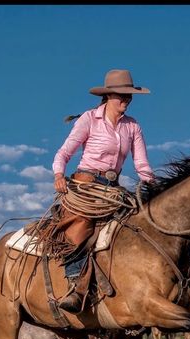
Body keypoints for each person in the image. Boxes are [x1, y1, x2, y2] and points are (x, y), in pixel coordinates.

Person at [52, 69, 155, 313]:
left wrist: (151, 185)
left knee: (136, 227)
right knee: (81, 226)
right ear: (108, 96)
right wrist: (58, 174)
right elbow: (64, 152)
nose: (126, 101)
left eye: (129, 96)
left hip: (113, 189)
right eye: (122, 96)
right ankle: (75, 287)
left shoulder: (133, 127)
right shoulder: (89, 119)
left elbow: (141, 164)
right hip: (87, 185)